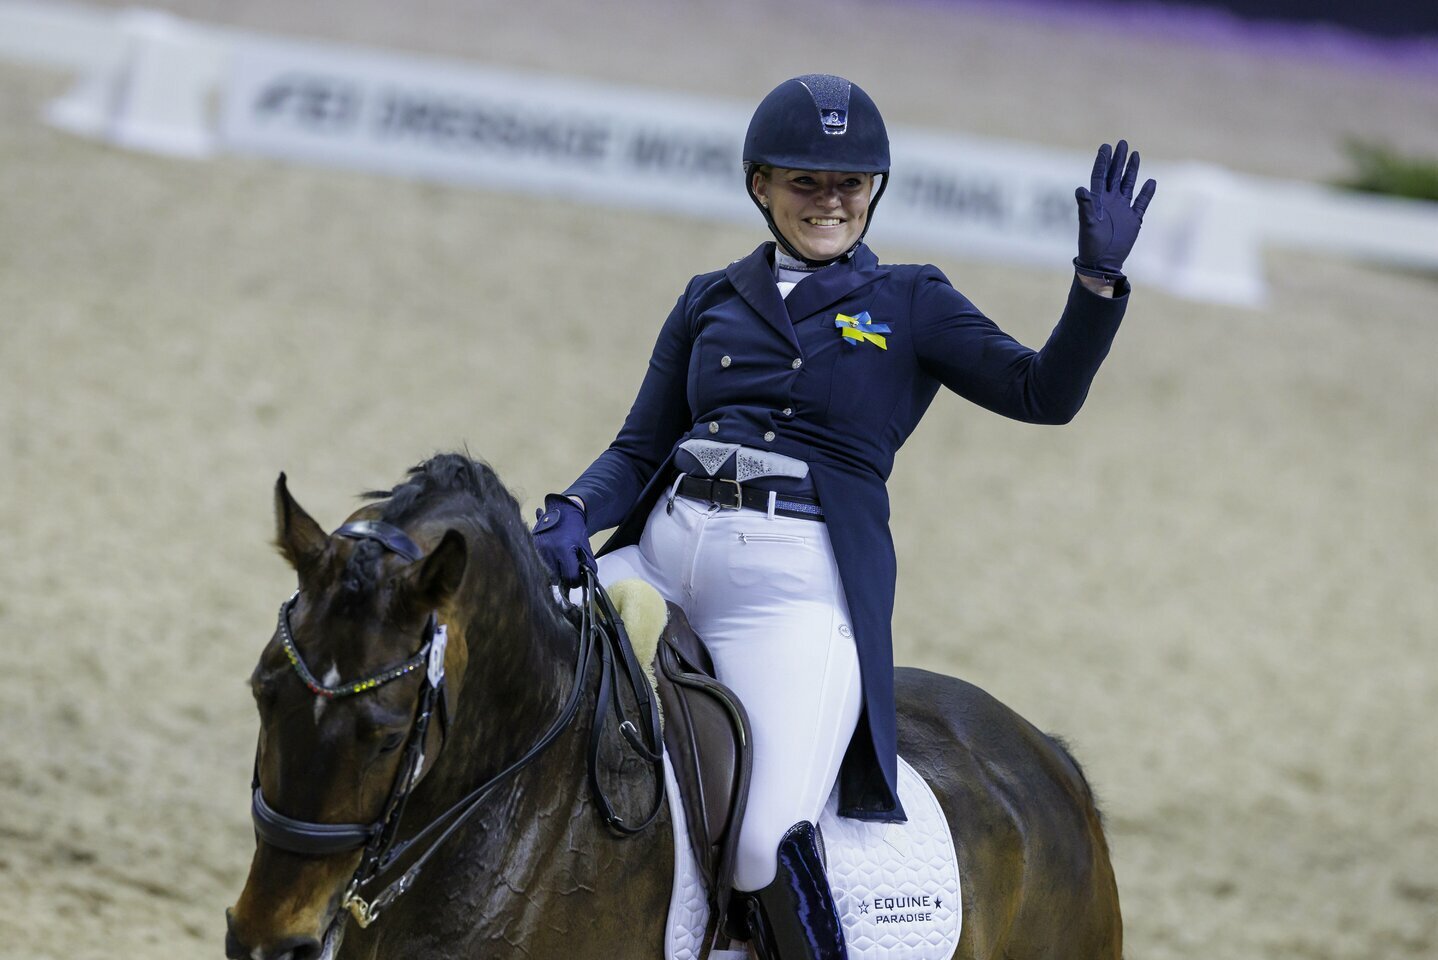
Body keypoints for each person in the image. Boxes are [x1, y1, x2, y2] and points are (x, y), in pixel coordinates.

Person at [532, 74, 1155, 960]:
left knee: (760, 840)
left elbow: (1041, 393)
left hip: (787, 586)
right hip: (661, 558)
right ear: (761, 186)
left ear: (874, 193)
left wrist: (1095, 285)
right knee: (512, 700)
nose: (830, 202)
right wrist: (573, 511)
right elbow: (639, 448)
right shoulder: (710, 295)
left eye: (849, 185)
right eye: (806, 183)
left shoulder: (910, 301)